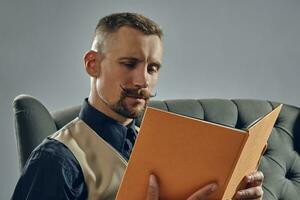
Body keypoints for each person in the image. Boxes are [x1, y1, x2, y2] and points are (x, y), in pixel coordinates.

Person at [12, 12, 264, 200]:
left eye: (152, 68)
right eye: (129, 63)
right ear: (92, 64)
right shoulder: (55, 161)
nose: (143, 81)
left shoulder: (165, 149)